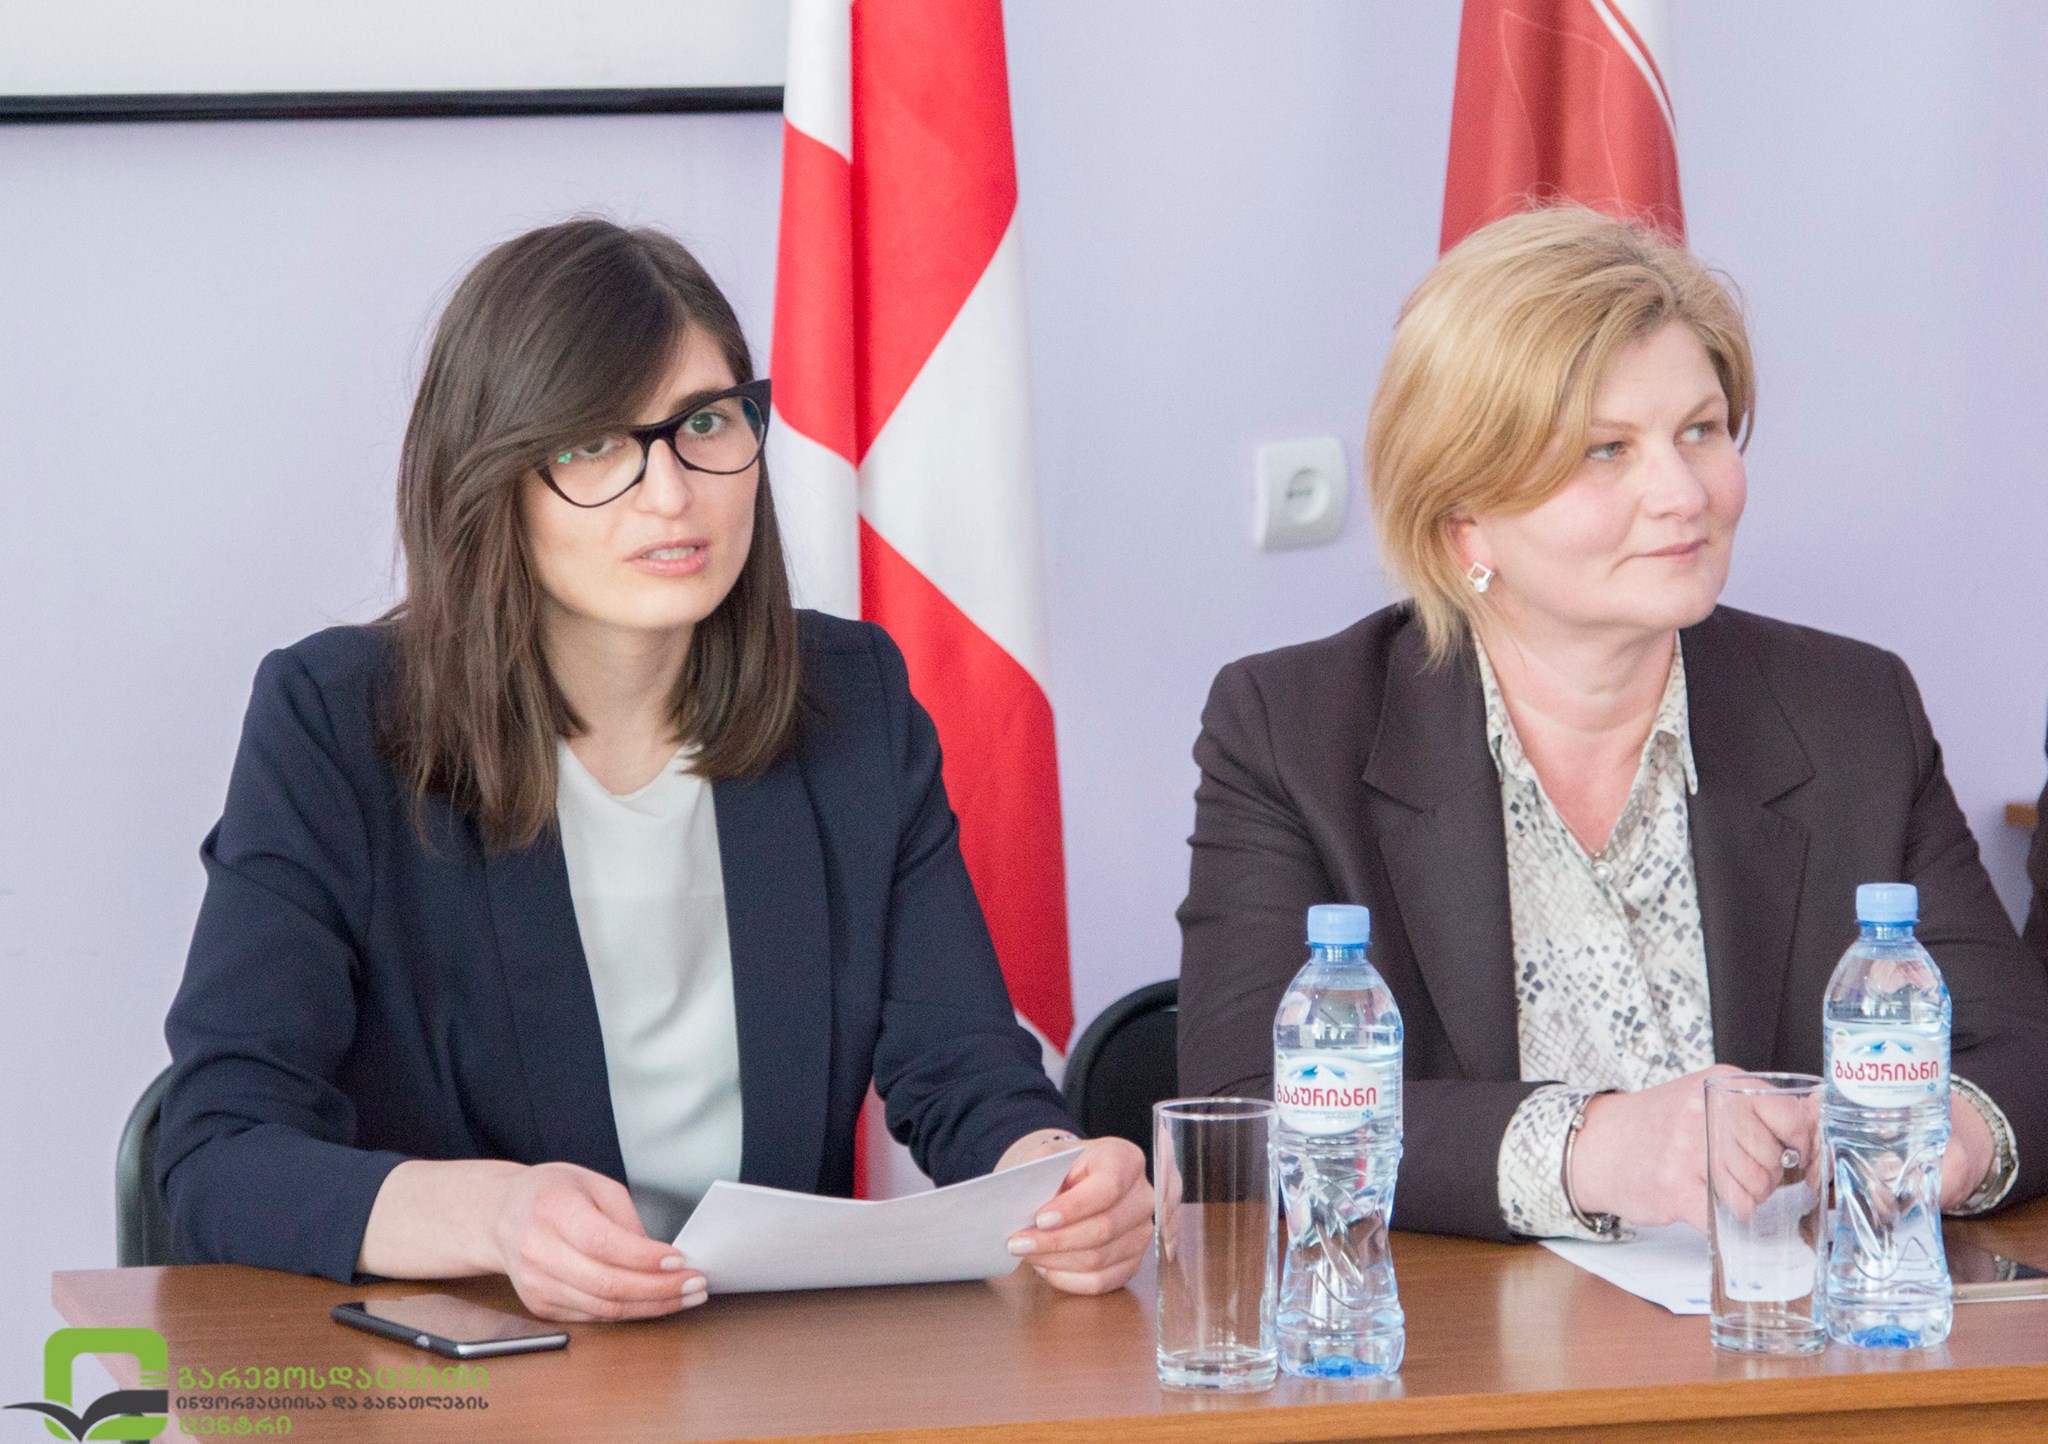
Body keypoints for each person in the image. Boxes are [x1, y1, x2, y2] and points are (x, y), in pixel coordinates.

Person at [159, 219, 1150, 1319]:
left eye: (705, 424)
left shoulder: (852, 701)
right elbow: (217, 1149)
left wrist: (1057, 1175)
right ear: (489, 480)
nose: (671, 494)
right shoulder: (338, 724)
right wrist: (496, 1214)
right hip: (482, 1358)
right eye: (594, 444)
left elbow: (961, 1065)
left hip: (770, 1364)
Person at [1176, 205, 2048, 1243]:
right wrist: (1586, 1147)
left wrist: (1956, 1135)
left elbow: (2021, 1049)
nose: (1681, 494)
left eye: (1700, 430)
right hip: (1460, 1336)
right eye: (1604, 450)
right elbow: (1242, 1112)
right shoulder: (1292, 731)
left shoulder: (1851, 710)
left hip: (1776, 1325)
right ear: (1465, 524)